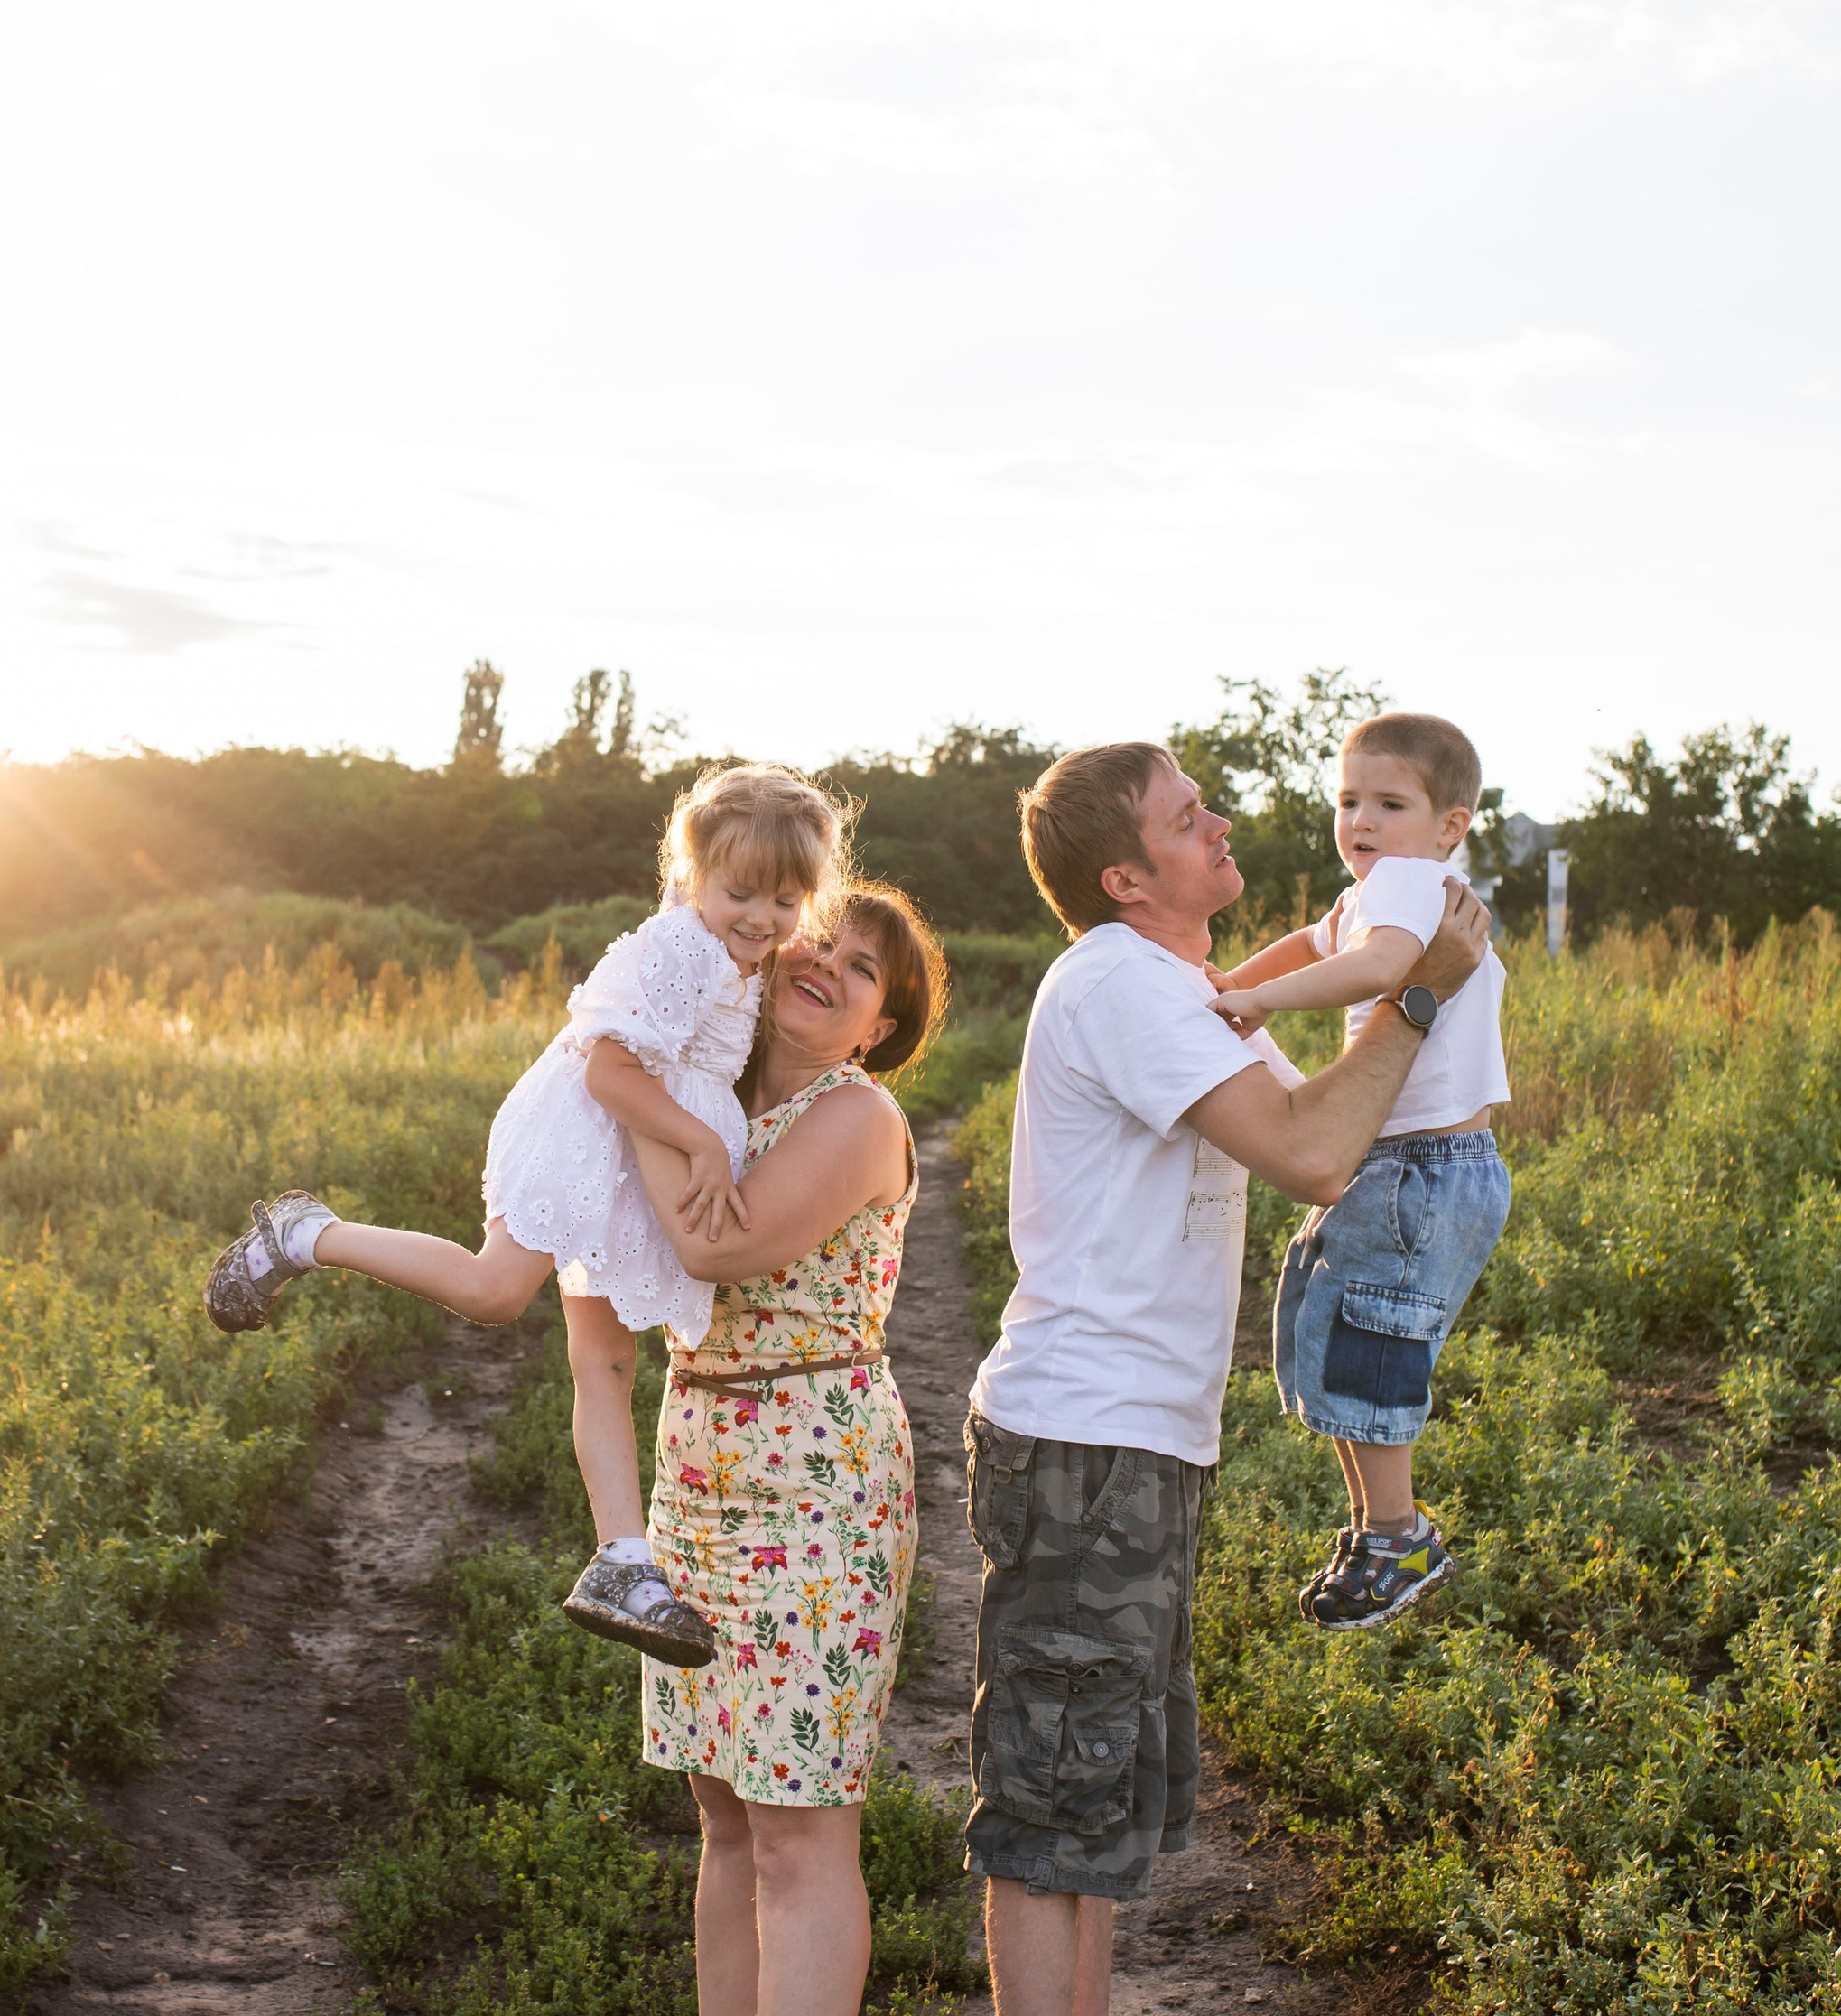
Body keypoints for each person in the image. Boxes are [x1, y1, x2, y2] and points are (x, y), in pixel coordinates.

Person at [964, 741, 1491, 2016]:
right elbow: (1313, 1153)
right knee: (1053, 1816)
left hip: (1135, 1443)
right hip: (1090, 1447)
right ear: (1126, 878)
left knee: (1099, 1809)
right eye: (1187, 819)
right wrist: (1417, 998)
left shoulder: (1175, 984)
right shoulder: (1126, 989)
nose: (1220, 826)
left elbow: (1325, 1123)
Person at [200, 762, 847, 1668]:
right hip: (588, 1131)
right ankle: (305, 1234)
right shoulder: (684, 948)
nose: (761, 917)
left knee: (607, 1356)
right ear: (693, 875)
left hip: (635, 1149)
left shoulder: (741, 956)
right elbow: (608, 1072)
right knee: (496, 1289)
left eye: (785, 899)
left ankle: (622, 1556)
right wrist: (703, 1145)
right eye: (739, 892)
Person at [636, 884, 946, 2016]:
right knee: (722, 1813)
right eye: (824, 938)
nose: (830, 964)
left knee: (798, 1833)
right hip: (697, 1470)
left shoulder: (858, 1114)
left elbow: (725, 1245)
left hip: (816, 1489)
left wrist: (633, 1102)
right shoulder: (708, 1095)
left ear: (878, 1027)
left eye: (865, 970)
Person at [1205, 711, 1511, 1630]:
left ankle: (1397, 1532)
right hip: (1391, 1162)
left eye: (1389, 802)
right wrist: (1213, 988)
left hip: (1427, 1165)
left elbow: (1376, 966)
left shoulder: (1414, 885)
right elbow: (1314, 943)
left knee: (1373, 1340)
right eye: (1348, 800)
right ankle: (1372, 1528)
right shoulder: (1369, 890)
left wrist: (1251, 1002)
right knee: (1332, 1331)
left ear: (1449, 825)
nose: (1361, 821)